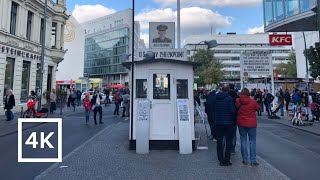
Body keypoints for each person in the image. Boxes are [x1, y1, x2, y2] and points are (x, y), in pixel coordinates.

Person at [212, 84, 236, 166]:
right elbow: (232, 111)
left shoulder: (216, 98)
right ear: (228, 90)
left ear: (222, 89)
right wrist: (233, 120)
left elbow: (212, 109)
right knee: (228, 141)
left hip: (218, 122)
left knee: (219, 141)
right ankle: (227, 160)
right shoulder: (229, 99)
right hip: (228, 123)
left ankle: (221, 160)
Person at [236, 88, 260, 166]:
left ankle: (245, 159)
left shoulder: (237, 101)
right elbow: (258, 108)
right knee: (252, 141)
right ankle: (253, 160)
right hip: (251, 124)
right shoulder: (253, 102)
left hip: (241, 123)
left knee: (243, 140)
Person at [228, 84, 239, 154]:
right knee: (234, 134)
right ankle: (233, 148)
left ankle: (227, 147)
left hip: (227, 117)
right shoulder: (237, 97)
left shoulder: (227, 96)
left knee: (226, 134)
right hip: (235, 118)